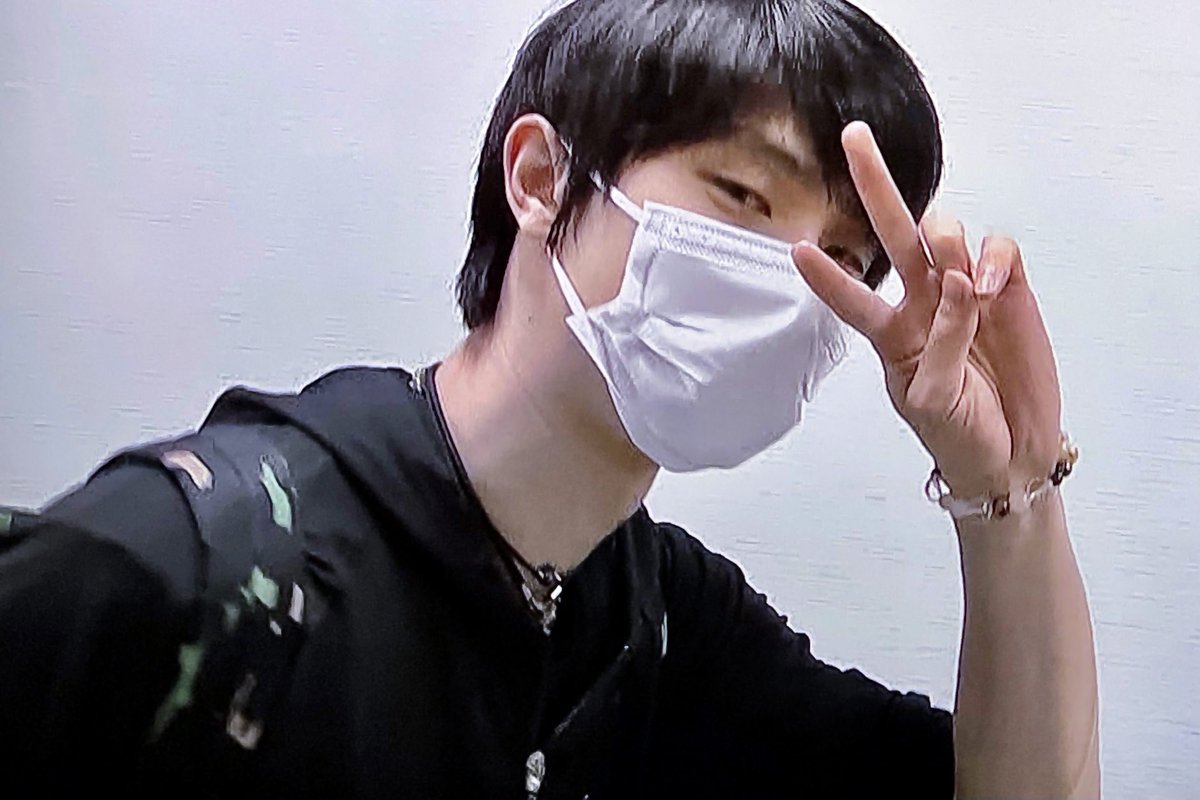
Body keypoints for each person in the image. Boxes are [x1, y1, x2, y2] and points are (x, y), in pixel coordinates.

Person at [0, 0, 1101, 797]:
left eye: (849, 257)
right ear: (541, 178)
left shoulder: (652, 623)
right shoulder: (184, 562)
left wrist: (1007, 490)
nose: (797, 279)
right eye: (743, 195)